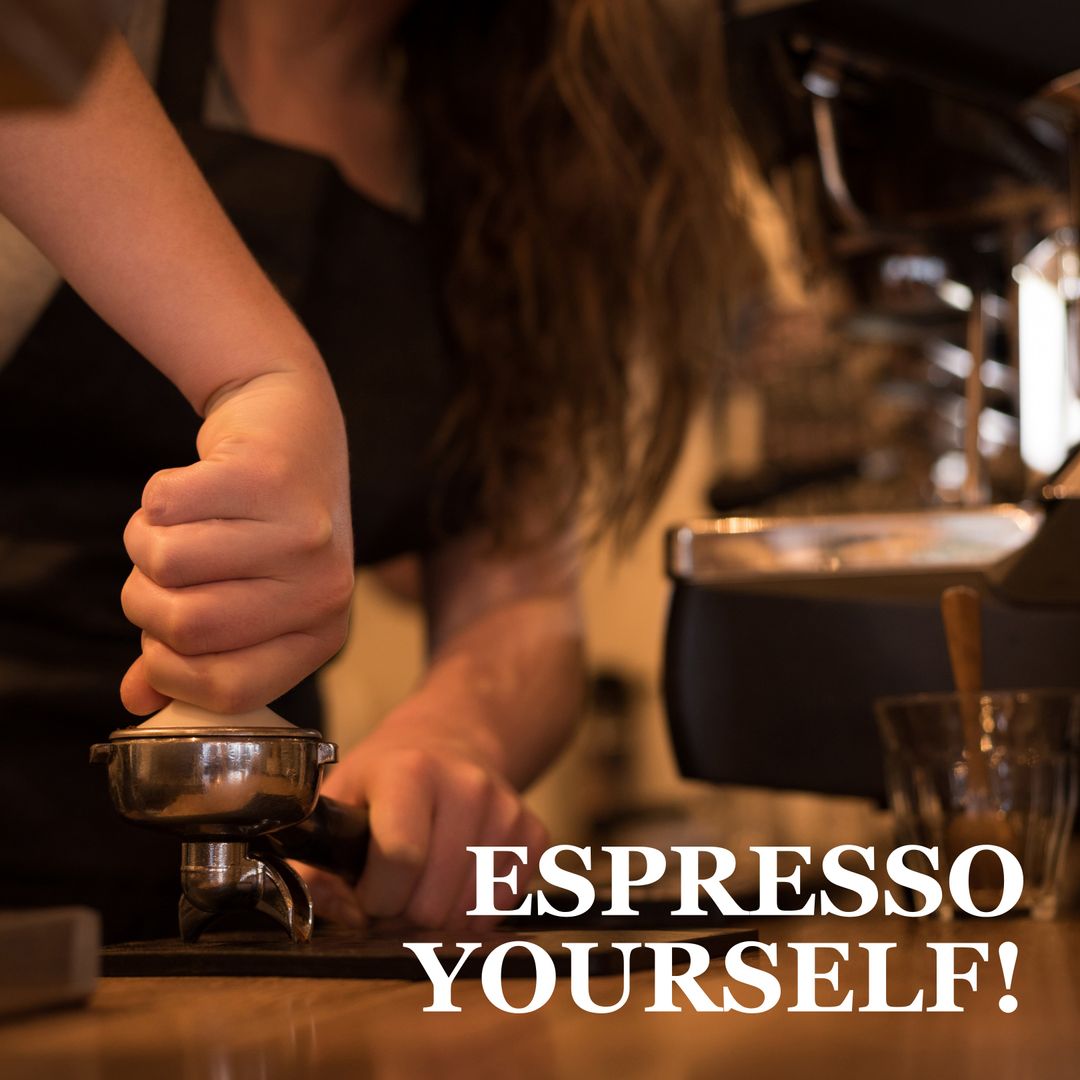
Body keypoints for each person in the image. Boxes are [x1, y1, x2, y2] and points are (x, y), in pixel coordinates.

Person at [0, 0, 762, 940]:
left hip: (252, 879)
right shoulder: (108, 30)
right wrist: (260, 369)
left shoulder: (506, 166)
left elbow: (518, 598)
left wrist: (451, 739)